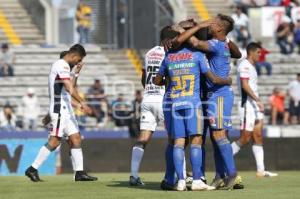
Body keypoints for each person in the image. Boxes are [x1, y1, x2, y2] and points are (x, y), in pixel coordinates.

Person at [155, 24, 232, 191]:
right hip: (193, 103)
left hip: (175, 103)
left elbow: (156, 81)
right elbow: (212, 78)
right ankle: (197, 179)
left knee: (178, 143)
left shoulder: (168, 57)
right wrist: (227, 80)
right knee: (196, 140)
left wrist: (169, 81)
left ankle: (180, 181)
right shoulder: (197, 55)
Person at [169, 15, 242, 190]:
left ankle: (232, 174)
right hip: (212, 95)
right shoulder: (222, 44)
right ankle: (219, 175)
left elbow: (194, 42)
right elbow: (235, 52)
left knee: (219, 135)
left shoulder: (216, 44)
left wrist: (180, 29)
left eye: (212, 24)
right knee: (214, 136)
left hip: (219, 95)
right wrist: (194, 25)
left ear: (218, 28)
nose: (208, 26)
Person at [25, 44, 97, 182]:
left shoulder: (65, 68)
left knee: (76, 138)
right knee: (55, 141)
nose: (78, 62)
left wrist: (76, 73)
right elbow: (69, 88)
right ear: (74, 55)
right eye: (79, 59)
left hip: (66, 110)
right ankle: (32, 169)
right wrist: (82, 103)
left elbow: (68, 91)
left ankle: (79, 173)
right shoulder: (61, 64)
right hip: (60, 110)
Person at [129, 26, 177, 187]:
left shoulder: (149, 53)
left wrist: (149, 89)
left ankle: (134, 175)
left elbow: (144, 78)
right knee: (176, 139)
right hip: (162, 99)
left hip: (147, 99)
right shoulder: (169, 53)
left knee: (143, 139)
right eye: (175, 39)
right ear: (168, 40)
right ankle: (179, 175)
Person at [231, 42, 278, 177]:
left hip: (255, 105)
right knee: (245, 138)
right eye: (258, 52)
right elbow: (245, 85)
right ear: (251, 52)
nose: (260, 55)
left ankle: (261, 170)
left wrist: (258, 101)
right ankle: (224, 157)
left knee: (258, 136)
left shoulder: (252, 66)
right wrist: (257, 100)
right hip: (247, 105)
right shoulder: (244, 65)